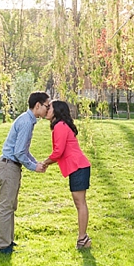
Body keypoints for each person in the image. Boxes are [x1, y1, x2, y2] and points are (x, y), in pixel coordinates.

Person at [0, 91, 50, 254]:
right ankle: (3, 245)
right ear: (38, 105)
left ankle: (8, 242)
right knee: (6, 206)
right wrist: (34, 167)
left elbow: (23, 150)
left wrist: (35, 163)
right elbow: (19, 153)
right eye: (47, 106)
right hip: (9, 166)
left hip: (12, 166)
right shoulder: (26, 122)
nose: (48, 109)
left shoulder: (28, 120)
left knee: (10, 206)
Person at [41, 100, 92, 249]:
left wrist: (45, 163)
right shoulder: (60, 126)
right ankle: (83, 239)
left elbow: (58, 152)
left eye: (49, 108)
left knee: (80, 203)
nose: (47, 110)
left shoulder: (60, 126)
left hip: (78, 167)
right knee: (80, 203)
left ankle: (83, 239)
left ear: (56, 111)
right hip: (77, 168)